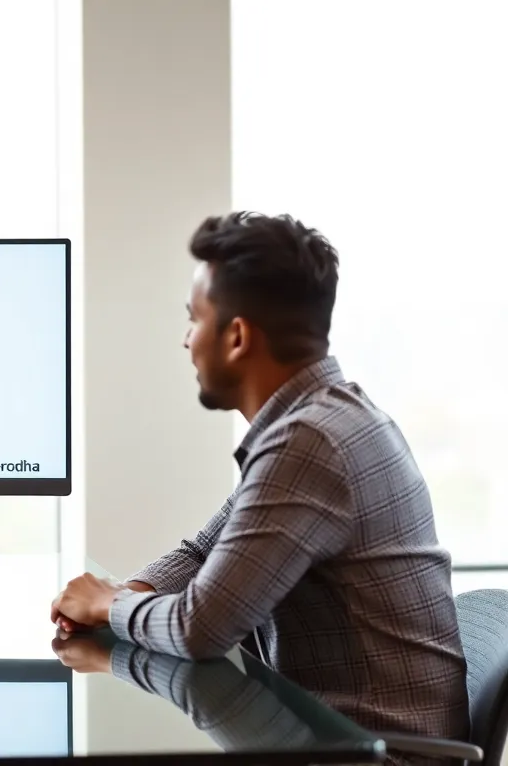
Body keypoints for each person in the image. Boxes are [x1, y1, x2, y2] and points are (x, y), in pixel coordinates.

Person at [50, 212, 469, 747]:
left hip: (376, 758)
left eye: (194, 319)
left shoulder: (311, 443)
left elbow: (200, 628)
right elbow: (207, 549)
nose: (185, 341)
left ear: (238, 336)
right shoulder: (325, 419)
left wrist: (108, 606)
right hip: (334, 740)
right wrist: (127, 592)